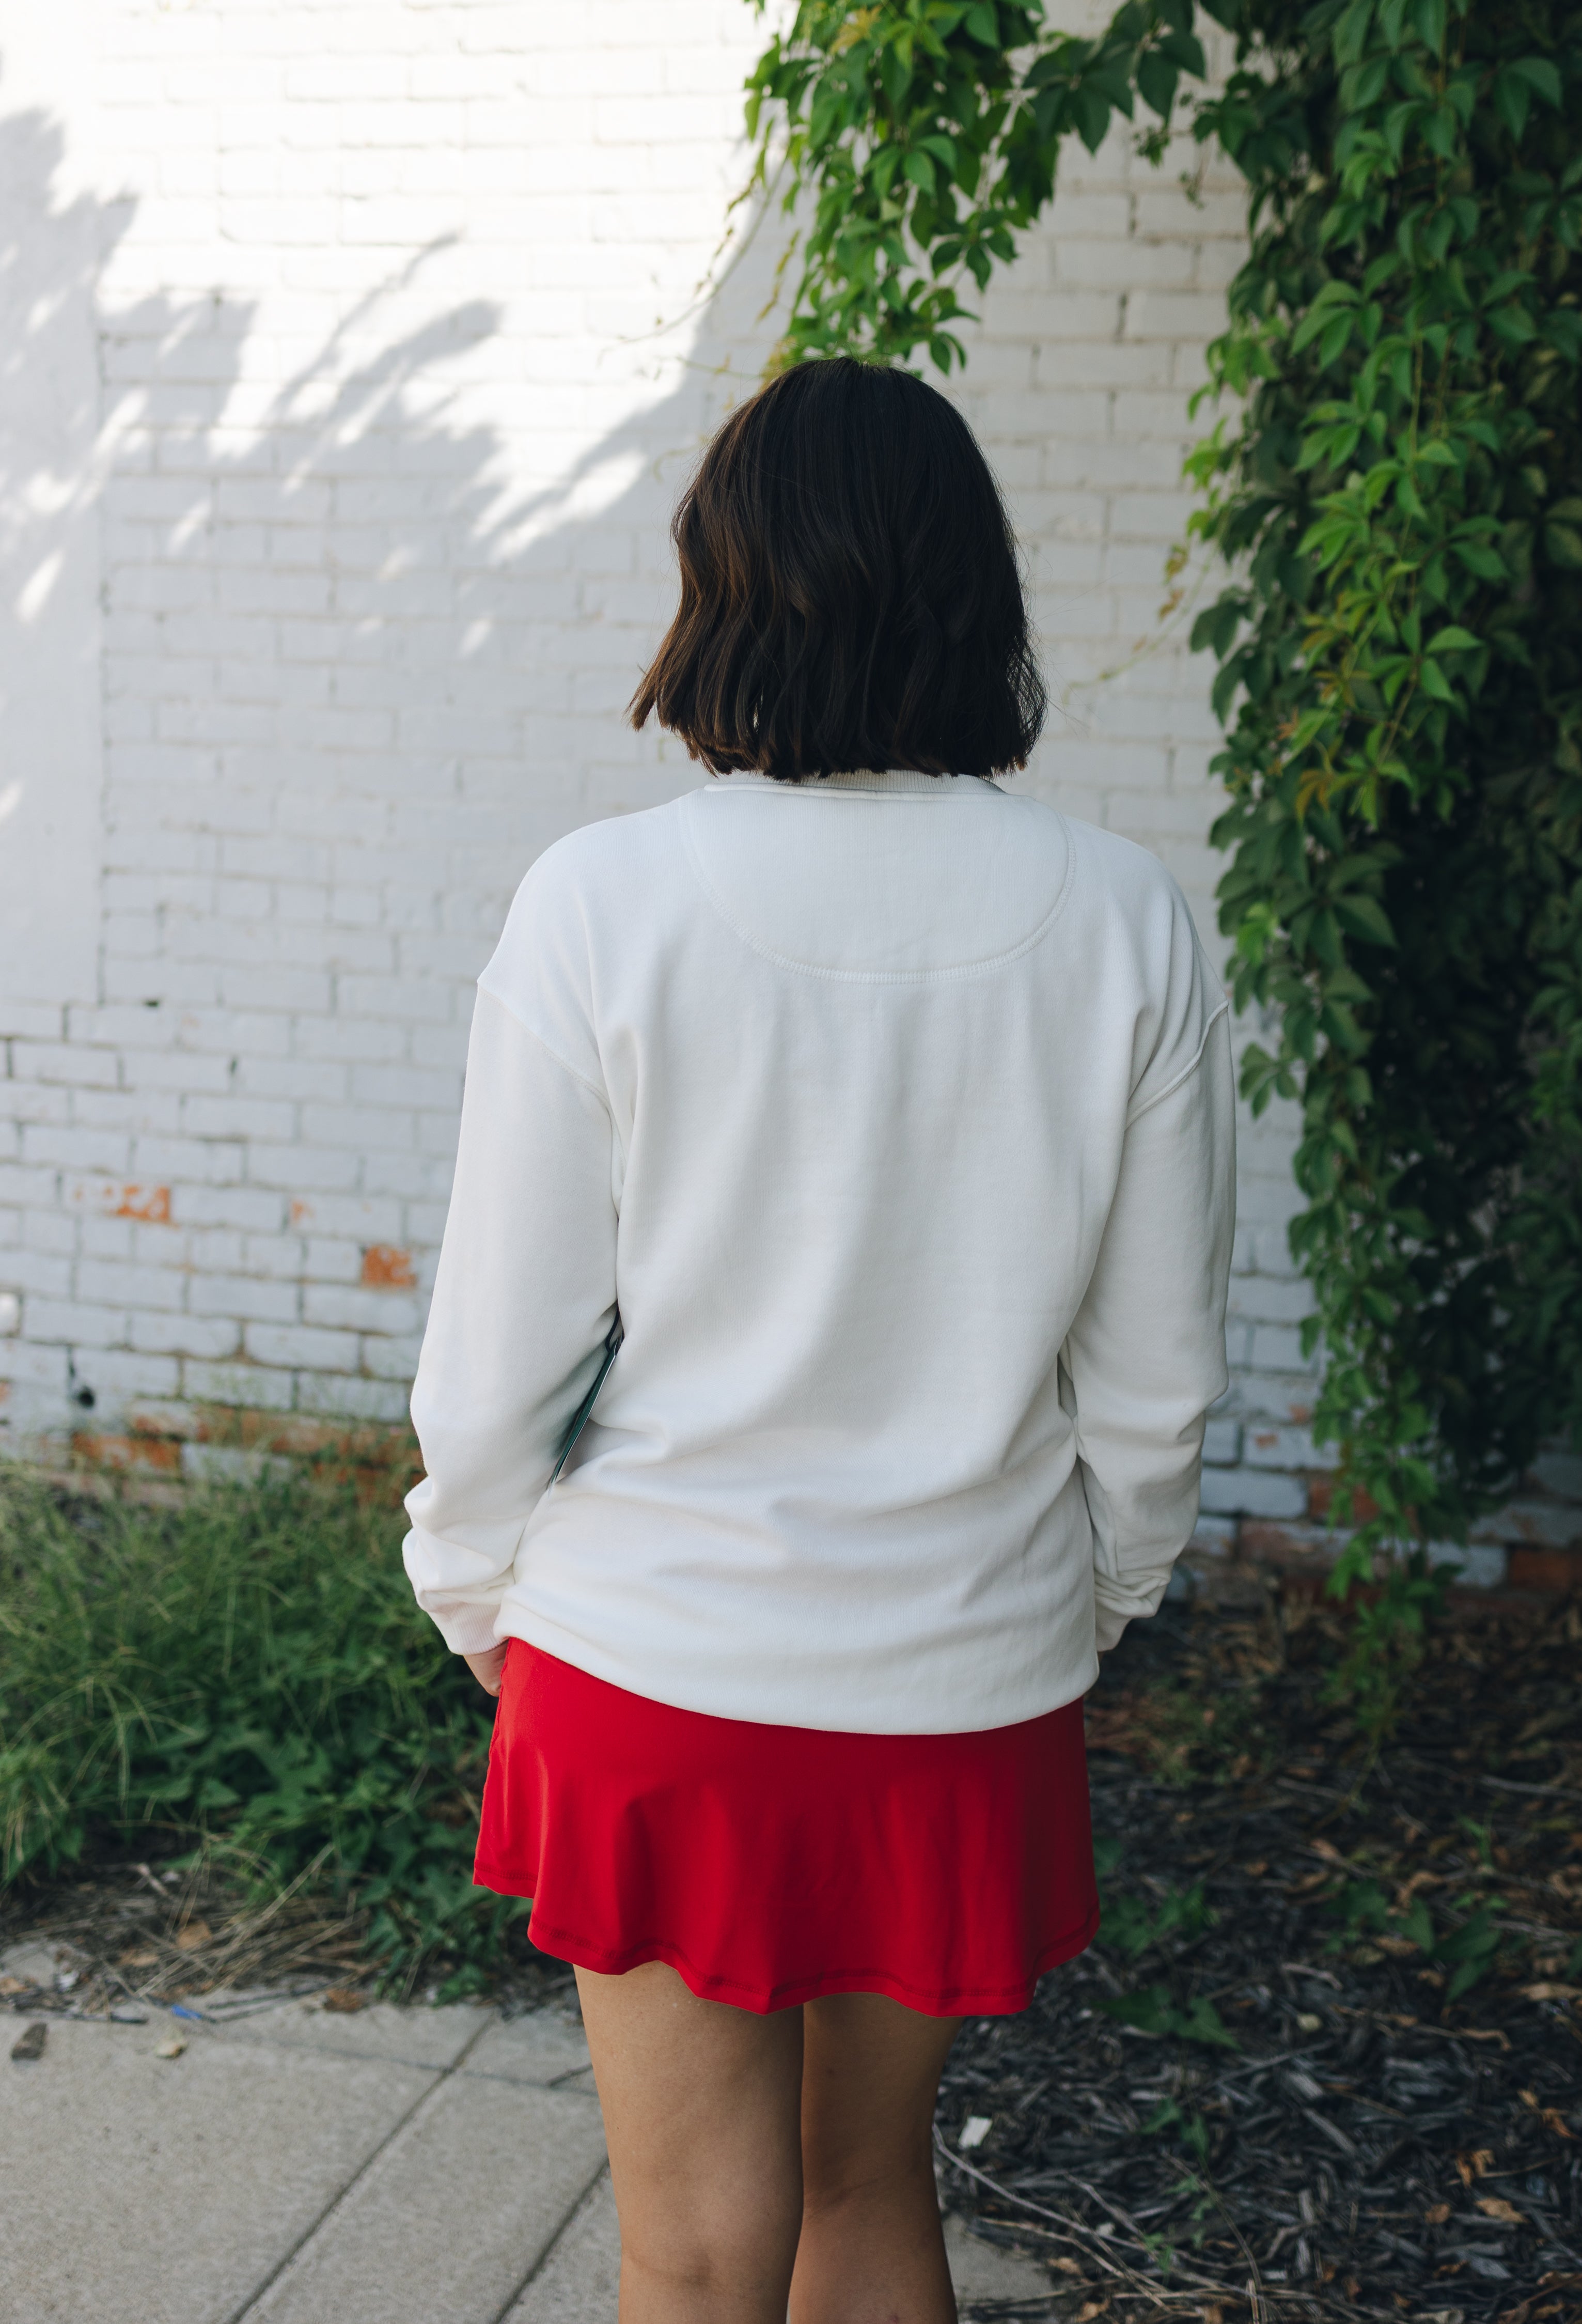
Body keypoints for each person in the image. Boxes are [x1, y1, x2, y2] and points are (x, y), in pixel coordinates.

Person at [402, 356, 1234, 2324]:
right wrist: (1079, 1601)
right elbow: (1151, 1390)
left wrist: (482, 1593)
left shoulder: (603, 901)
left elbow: (495, 1361)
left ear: (727, 586)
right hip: (957, 1677)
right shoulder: (1127, 920)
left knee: (689, 2253)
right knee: (867, 2200)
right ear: (978, 596)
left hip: (654, 1668)